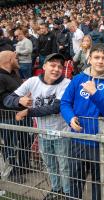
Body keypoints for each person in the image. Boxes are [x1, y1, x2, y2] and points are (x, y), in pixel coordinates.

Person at [4, 53, 71, 200]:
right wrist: (19, 101)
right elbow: (8, 100)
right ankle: (56, 189)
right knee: (50, 164)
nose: (56, 69)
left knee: (65, 166)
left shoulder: (66, 83)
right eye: (52, 65)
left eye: (60, 66)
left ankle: (67, 194)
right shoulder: (33, 81)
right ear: (44, 66)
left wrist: (28, 111)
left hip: (62, 133)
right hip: (42, 133)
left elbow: (55, 108)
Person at [60, 43, 104, 200]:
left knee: (100, 183)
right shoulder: (78, 79)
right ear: (89, 59)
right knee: (75, 181)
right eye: (96, 57)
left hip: (100, 143)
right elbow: (65, 102)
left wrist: (94, 93)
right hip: (77, 140)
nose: (100, 61)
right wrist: (70, 118)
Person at [0, 51, 33, 184]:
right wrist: (18, 100)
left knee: (26, 141)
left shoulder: (14, 74)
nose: (18, 59)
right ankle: (13, 172)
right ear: (8, 60)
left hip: (24, 115)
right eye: (15, 58)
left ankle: (25, 166)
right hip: (8, 117)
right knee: (10, 145)